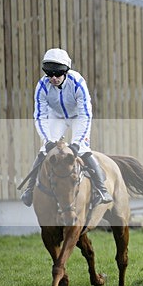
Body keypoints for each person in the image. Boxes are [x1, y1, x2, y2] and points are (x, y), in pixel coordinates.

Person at [20, 48, 112, 207]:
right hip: (57, 116)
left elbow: (85, 115)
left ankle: (101, 189)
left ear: (66, 72)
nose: (54, 78)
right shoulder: (42, 86)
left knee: (82, 149)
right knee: (44, 151)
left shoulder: (78, 83)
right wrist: (47, 140)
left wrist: (76, 142)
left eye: (58, 74)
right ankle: (29, 189)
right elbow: (40, 115)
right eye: (50, 74)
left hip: (78, 117)